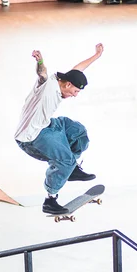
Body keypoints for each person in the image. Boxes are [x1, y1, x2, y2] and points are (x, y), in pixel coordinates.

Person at [14, 44, 104, 214]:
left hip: (47, 125)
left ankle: (72, 170)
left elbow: (78, 69)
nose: (75, 95)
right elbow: (41, 74)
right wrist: (40, 61)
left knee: (79, 132)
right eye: (75, 91)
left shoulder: (64, 80)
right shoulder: (47, 86)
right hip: (31, 137)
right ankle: (50, 200)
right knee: (65, 161)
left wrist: (96, 56)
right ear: (68, 84)